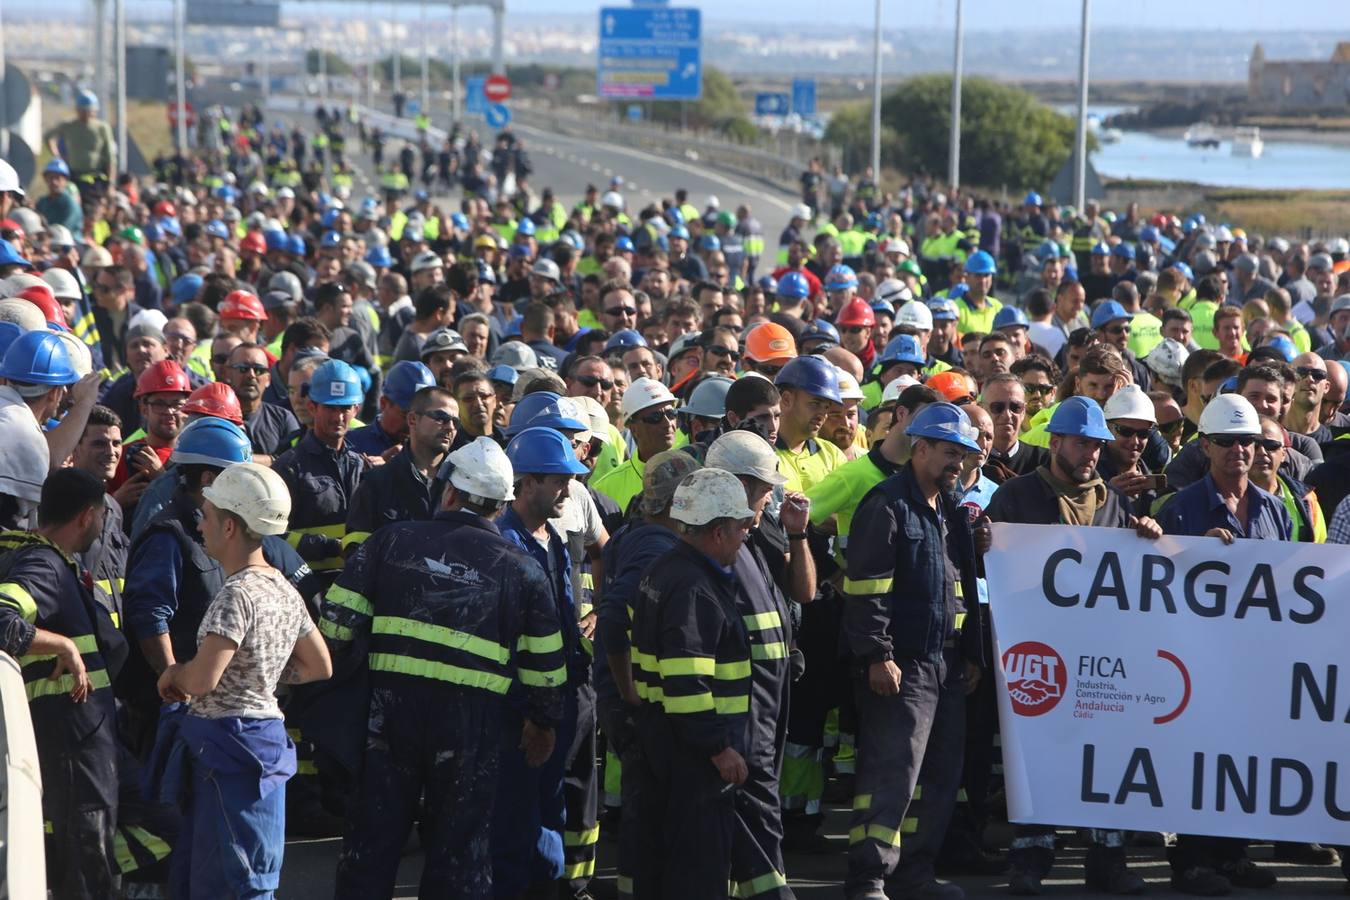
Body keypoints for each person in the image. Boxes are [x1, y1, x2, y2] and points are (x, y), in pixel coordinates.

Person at [326, 437, 565, 898]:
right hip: (473, 729)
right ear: (501, 505)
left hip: (388, 718)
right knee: (459, 854)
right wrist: (543, 722)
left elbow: (336, 625)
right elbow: (547, 666)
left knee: (371, 845)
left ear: (450, 493)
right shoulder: (522, 569)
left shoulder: (390, 541)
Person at [985, 396, 1159, 895]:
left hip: (1102, 658)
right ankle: (1030, 859)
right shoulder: (1015, 498)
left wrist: (1148, 534)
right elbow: (990, 571)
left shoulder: (1117, 503)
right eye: (1082, 442)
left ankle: (1107, 860)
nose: (1090, 453)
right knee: (1035, 754)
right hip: (1037, 655)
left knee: (1104, 757)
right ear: (1055, 441)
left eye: (1097, 444)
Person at [155, 462, 332, 898]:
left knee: (229, 879)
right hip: (262, 743)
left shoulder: (235, 595)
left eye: (209, 517)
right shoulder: (283, 588)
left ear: (230, 526)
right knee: (249, 871)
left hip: (227, 748)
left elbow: (202, 680)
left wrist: (172, 673)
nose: (201, 524)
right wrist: (264, 673)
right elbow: (319, 666)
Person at [841, 403, 987, 900]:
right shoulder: (886, 505)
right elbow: (865, 590)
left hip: (946, 665)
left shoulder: (950, 509)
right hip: (903, 664)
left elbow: (960, 587)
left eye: (963, 455)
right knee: (892, 774)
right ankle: (868, 878)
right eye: (950, 453)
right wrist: (878, 655)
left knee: (938, 777)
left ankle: (914, 875)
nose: (959, 464)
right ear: (919, 448)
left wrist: (970, 653)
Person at [1155, 394, 1290, 897]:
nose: (1238, 450)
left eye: (1247, 441)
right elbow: (1157, 584)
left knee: (1242, 758)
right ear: (1206, 446)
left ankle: (1233, 854)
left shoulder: (1275, 510)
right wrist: (1196, 554)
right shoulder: (1182, 508)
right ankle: (1190, 861)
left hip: (1253, 658)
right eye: (1226, 441)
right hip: (1195, 659)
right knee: (1194, 758)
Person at [628, 467, 757, 897]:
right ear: (717, 532)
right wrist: (718, 749)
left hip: (662, 741)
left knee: (665, 860)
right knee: (698, 868)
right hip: (694, 759)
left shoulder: (666, 570)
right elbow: (687, 682)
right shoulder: (694, 588)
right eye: (741, 527)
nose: (745, 536)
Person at [0, 468, 126, 898]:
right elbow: (1, 620)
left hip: (87, 746)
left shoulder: (50, 560)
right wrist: (62, 646)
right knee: (84, 868)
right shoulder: (44, 564)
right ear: (87, 516)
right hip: (74, 754)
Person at [706, 431, 814, 900]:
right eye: (760, 485)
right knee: (755, 815)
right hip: (740, 713)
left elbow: (803, 592)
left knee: (753, 814)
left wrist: (796, 532)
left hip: (768, 704)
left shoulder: (759, 531)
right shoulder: (711, 546)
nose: (769, 493)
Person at [271, 359, 368, 585]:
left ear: (356, 409)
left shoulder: (361, 466)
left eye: (344, 408)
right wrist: (328, 546)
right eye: (330, 407)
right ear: (313, 407)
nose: (338, 417)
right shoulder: (289, 467)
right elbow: (271, 537)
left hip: (354, 587)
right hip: (305, 588)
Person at [343, 385, 456, 553]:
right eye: (441, 417)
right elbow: (357, 552)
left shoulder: (462, 484)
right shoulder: (377, 483)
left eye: (456, 422)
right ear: (412, 420)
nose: (450, 427)